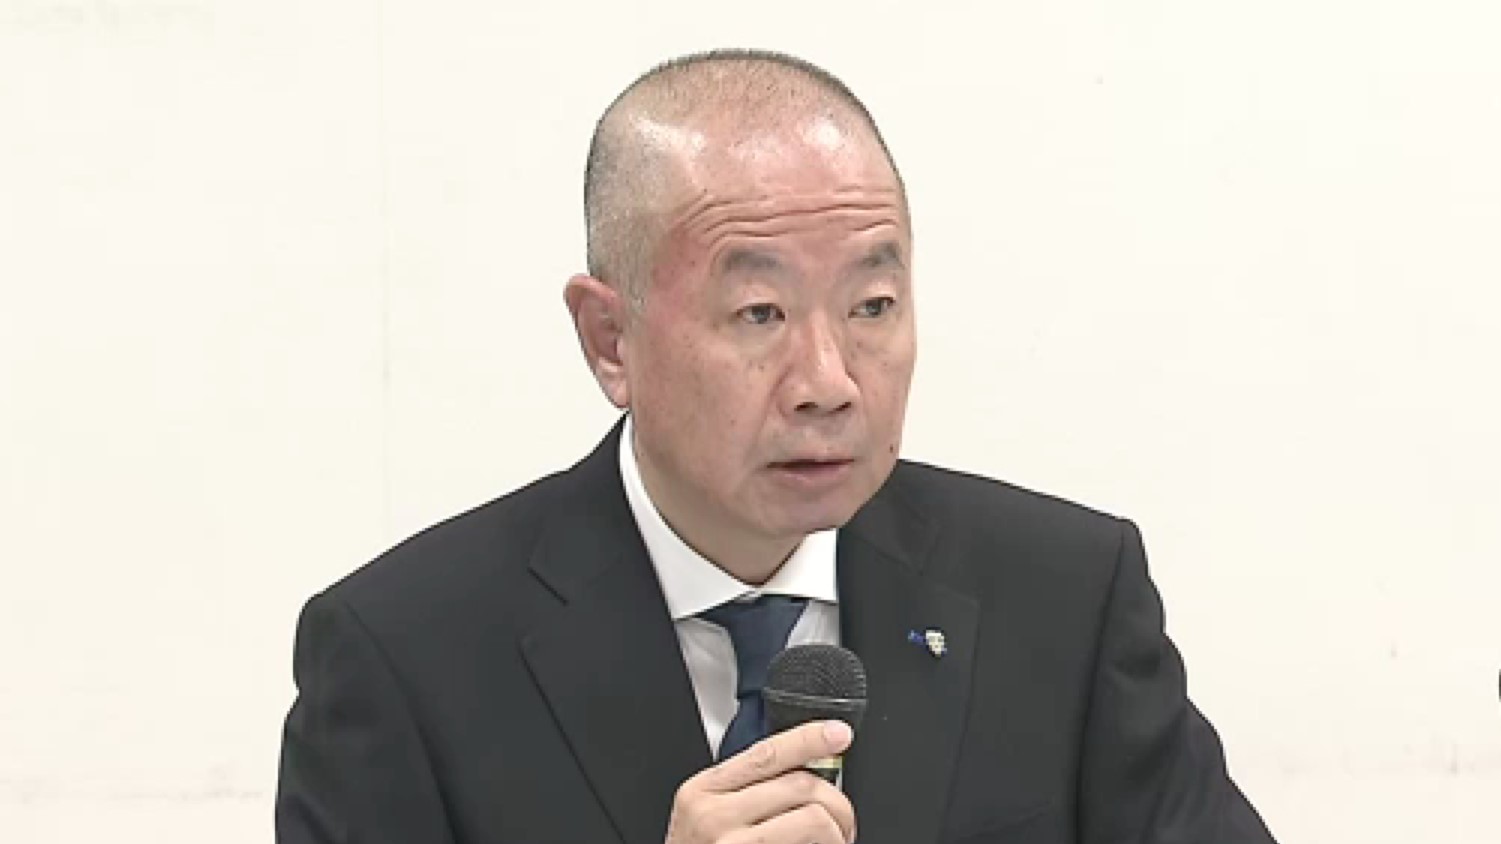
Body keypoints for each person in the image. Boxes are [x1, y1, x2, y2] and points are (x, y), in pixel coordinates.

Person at [275, 49, 1278, 844]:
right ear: (610, 340)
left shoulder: (1064, 598)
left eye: (871, 306)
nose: (829, 381)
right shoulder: (403, 657)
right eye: (759, 314)